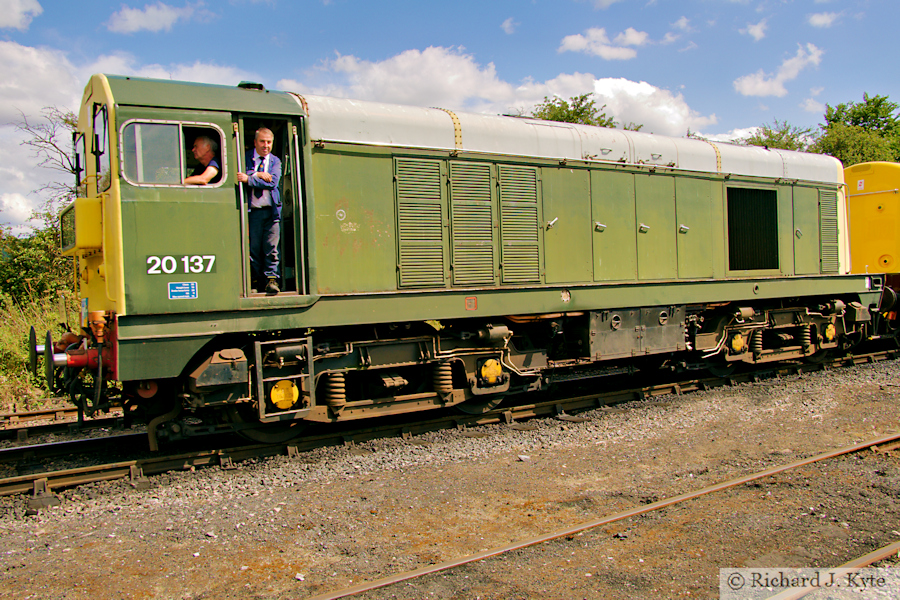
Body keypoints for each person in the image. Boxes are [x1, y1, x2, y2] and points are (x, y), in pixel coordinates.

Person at [237, 128, 282, 294]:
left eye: (269, 142)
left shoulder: (275, 161)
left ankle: (272, 280)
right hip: (253, 211)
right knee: (253, 249)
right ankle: (255, 281)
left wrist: (249, 179)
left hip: (271, 212)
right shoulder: (246, 157)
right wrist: (258, 173)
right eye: (262, 141)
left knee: (271, 248)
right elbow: (239, 173)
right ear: (255, 142)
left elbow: (273, 182)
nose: (266, 146)